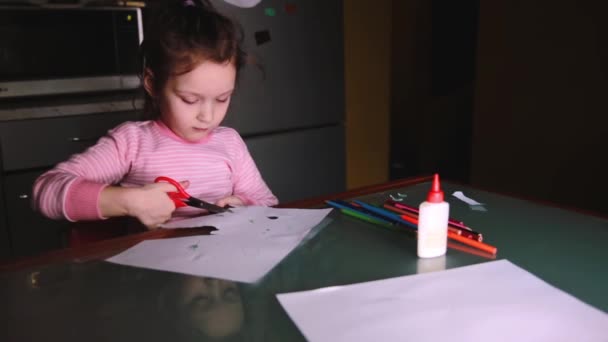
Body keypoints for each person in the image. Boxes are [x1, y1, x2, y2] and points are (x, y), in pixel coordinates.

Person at [33, 0, 278, 229]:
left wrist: (245, 206)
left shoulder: (230, 143)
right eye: (190, 100)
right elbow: (46, 189)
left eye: (222, 98)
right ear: (152, 84)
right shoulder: (132, 142)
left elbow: (267, 202)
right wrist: (127, 201)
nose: (208, 116)